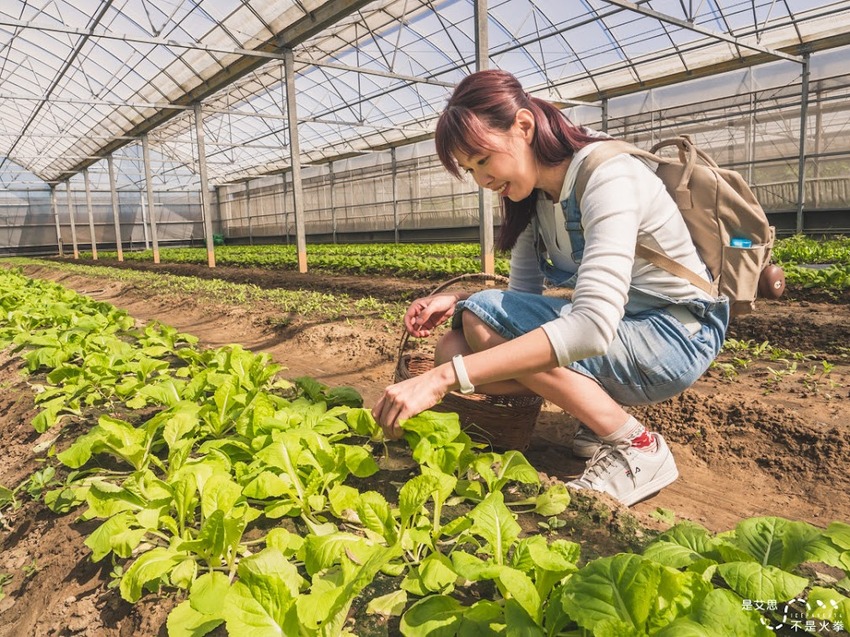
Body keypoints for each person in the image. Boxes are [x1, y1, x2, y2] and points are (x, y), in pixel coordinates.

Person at [371, 69, 729, 507]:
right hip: (625, 332)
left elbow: (592, 328)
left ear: (523, 126)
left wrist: (442, 380)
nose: (482, 179)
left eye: (484, 159)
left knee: (469, 344)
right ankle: (595, 416)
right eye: (470, 170)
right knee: (456, 343)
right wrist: (459, 305)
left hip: (673, 337)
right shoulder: (532, 199)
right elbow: (517, 304)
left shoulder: (607, 176)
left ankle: (637, 447)